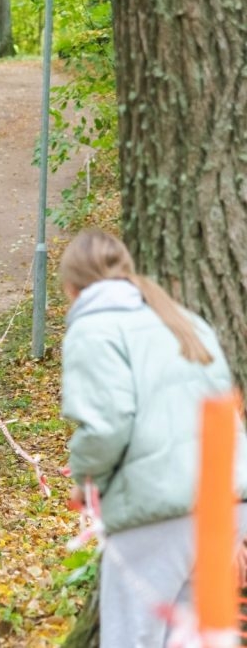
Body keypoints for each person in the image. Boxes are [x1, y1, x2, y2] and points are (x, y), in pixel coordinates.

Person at [60, 228, 247, 647]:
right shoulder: (181, 318)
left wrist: (84, 479)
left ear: (72, 288)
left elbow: (106, 425)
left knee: (133, 637)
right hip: (222, 507)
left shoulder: (94, 329)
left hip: (157, 511)